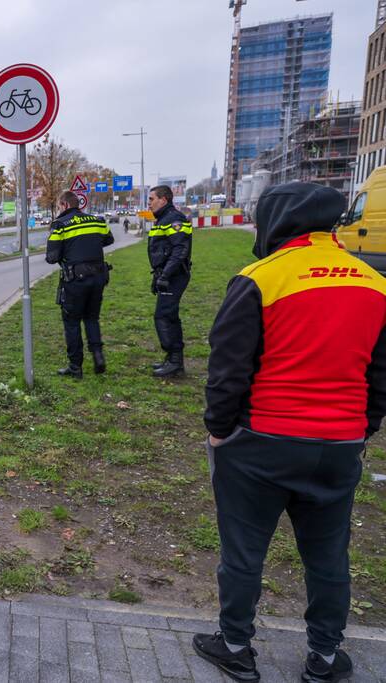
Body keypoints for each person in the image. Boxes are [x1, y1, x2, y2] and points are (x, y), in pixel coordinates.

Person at [194, 182, 386, 683]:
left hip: (262, 444)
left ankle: (235, 646)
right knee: (328, 556)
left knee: (243, 551)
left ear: (277, 221)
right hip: (340, 445)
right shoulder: (375, 282)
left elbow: (228, 370)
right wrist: (360, 430)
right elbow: (381, 377)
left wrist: (218, 431)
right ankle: (323, 658)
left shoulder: (261, 278)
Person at [45, 191, 114, 378]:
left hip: (75, 281)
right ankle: (98, 356)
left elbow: (51, 257)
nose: (59, 209)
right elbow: (109, 239)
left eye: (59, 206)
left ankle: (75, 367)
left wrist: (68, 249)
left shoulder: (60, 225)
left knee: (72, 322)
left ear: (65, 205)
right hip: (99, 277)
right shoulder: (96, 220)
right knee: (92, 318)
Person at [147, 185, 193, 377]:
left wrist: (165, 275)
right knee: (168, 315)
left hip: (174, 276)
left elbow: (180, 250)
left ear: (163, 200)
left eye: (151, 199)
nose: (148, 203)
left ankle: (175, 362)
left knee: (164, 316)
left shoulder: (174, 219)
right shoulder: (163, 219)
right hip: (167, 274)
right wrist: (158, 275)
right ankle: (173, 359)